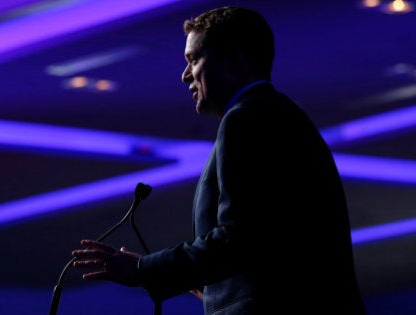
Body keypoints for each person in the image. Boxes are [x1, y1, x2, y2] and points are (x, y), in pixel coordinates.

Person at [71, 6, 366, 315]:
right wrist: (218, 287)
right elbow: (272, 241)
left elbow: (239, 238)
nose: (185, 75)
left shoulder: (247, 119)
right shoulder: (278, 115)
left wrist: (145, 269)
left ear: (235, 59)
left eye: (194, 59)